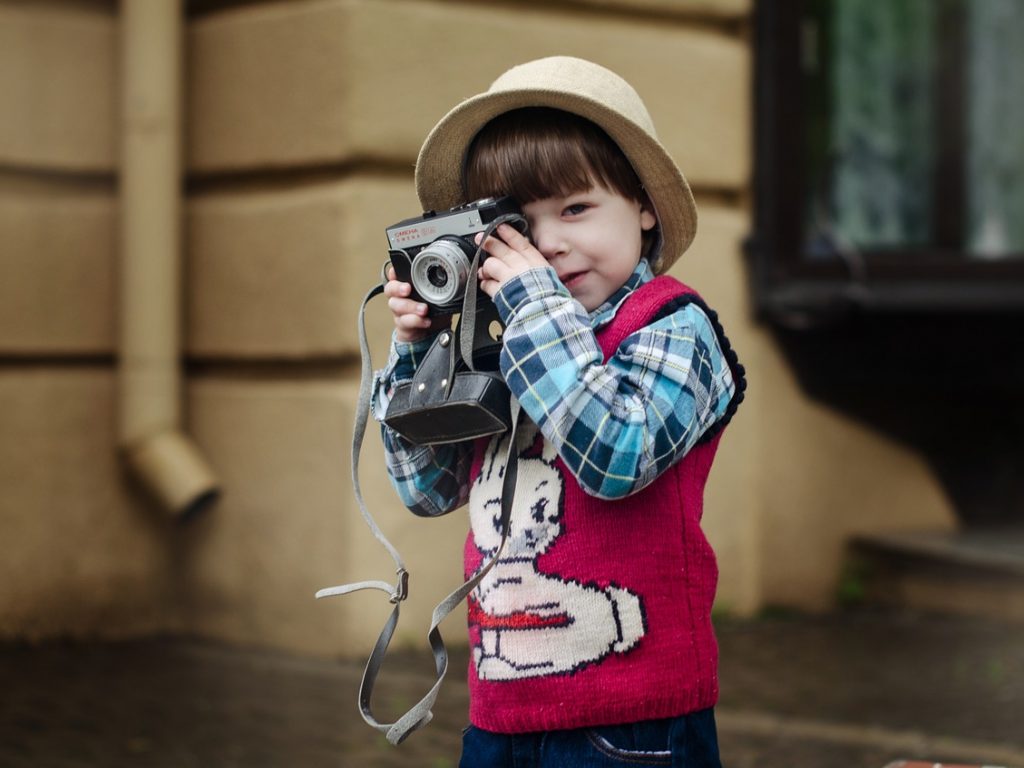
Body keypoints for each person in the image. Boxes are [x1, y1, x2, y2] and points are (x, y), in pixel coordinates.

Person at [372, 56, 745, 768]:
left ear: (643, 205)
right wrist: (418, 351)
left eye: (575, 209)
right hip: (500, 716)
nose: (547, 246)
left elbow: (617, 456)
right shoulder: (510, 336)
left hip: (632, 721)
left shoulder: (672, 326)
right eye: (518, 226)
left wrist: (534, 309)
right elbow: (426, 490)